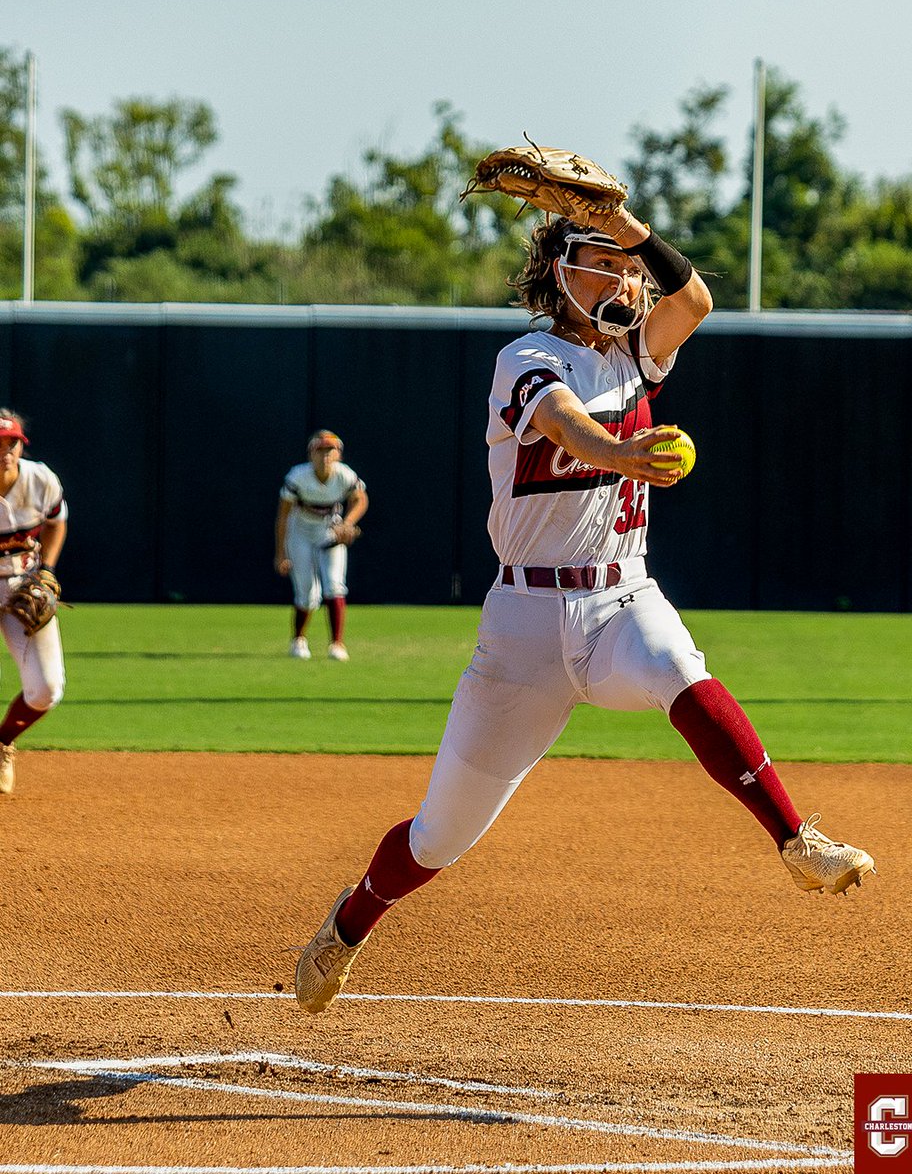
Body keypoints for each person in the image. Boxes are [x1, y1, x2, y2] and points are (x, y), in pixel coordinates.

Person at [293, 204, 876, 1014]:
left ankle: (794, 839)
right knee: (440, 836)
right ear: (561, 270)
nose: (627, 280)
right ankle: (349, 924)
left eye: (631, 267)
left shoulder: (638, 353)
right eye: (606, 263)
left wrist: (629, 226)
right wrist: (621, 453)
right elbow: (564, 424)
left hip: (620, 596)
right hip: (524, 625)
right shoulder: (525, 356)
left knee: (678, 668)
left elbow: (696, 300)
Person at [0, 410, 68, 794]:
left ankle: (2, 742)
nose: (5, 451)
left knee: (46, 689)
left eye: (12, 442)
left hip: (23, 582)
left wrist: (49, 570)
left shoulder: (40, 479)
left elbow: (56, 521)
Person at [274, 429, 368, 662]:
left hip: (329, 531)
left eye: (330, 450)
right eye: (320, 450)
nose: (325, 456)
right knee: (306, 591)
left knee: (335, 584)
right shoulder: (298, 476)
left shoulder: (344, 475)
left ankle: (337, 643)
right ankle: (299, 639)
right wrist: (280, 553)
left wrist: (347, 524)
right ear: (311, 455)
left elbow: (360, 499)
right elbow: (283, 515)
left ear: (339, 454)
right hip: (300, 532)